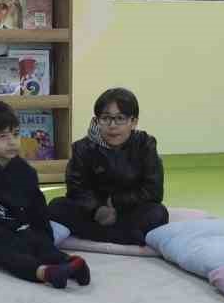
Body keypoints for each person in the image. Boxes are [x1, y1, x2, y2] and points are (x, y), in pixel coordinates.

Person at [0, 100, 88, 289]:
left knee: (35, 241)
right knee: (5, 250)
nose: (12, 141)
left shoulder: (25, 171)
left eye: (16, 134)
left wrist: (45, 238)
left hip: (17, 226)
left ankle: (70, 262)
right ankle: (44, 272)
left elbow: (38, 209)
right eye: (3, 136)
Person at [48, 87, 170, 246]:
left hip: (128, 210)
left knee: (158, 213)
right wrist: (98, 210)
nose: (112, 125)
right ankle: (123, 236)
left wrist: (116, 203)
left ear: (133, 122)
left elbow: (153, 191)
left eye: (120, 118)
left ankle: (96, 234)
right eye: (106, 118)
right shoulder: (82, 148)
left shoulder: (145, 145)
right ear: (97, 120)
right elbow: (76, 189)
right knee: (56, 206)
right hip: (94, 213)